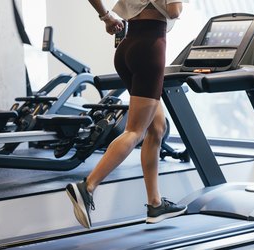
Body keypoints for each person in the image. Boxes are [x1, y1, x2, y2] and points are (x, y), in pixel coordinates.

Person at [66, 0, 187, 229]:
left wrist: (106, 16)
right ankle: (87, 187)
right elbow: (174, 10)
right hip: (150, 45)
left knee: (157, 127)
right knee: (135, 131)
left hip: (128, 45)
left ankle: (155, 203)